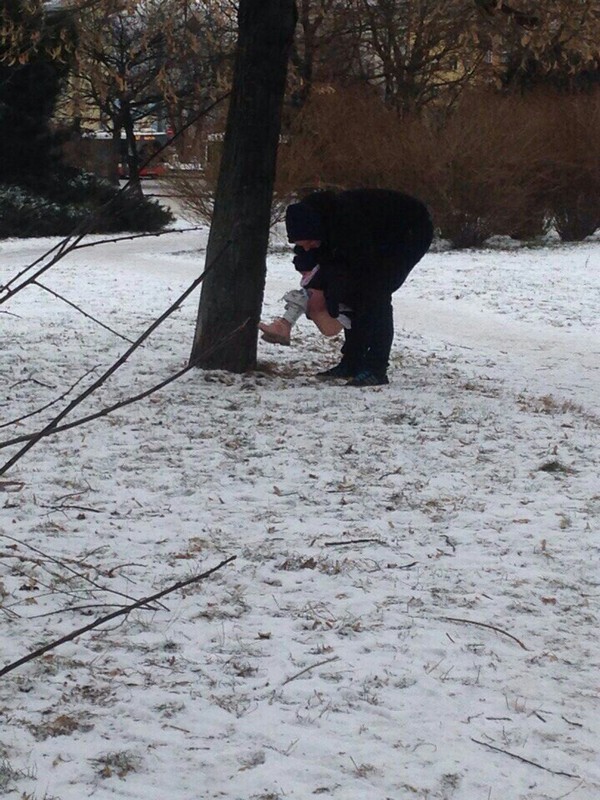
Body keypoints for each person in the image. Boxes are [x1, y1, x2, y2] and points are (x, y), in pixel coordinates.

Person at [261, 188, 433, 386]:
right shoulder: (310, 220)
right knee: (352, 292)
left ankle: (376, 368)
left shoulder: (347, 221)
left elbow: (358, 263)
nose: (305, 247)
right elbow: (315, 258)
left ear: (317, 232)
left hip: (408, 231)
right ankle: (352, 361)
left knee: (375, 292)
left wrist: (334, 294)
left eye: (309, 243)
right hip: (370, 236)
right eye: (301, 244)